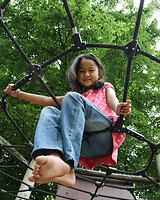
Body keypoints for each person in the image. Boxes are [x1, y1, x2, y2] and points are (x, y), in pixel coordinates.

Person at [5, 53, 131, 187]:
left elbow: (113, 101)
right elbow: (47, 100)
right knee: (49, 111)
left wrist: (119, 108)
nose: (86, 74)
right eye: (81, 71)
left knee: (72, 97)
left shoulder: (105, 87)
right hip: (83, 145)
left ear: (100, 73)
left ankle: (69, 163)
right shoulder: (75, 98)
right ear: (76, 76)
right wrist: (19, 94)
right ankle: (61, 164)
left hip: (104, 135)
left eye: (91, 70)